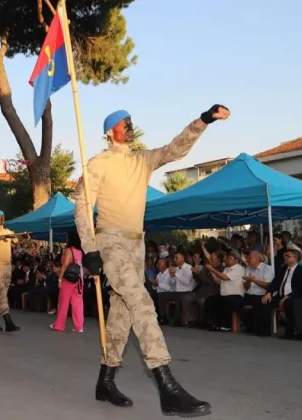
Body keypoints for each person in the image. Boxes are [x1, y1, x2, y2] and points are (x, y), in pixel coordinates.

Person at [74, 106, 229, 416]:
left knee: (123, 315)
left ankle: (105, 381)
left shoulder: (142, 159)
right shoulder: (99, 163)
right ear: (110, 132)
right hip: (111, 242)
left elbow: (176, 149)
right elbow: (81, 205)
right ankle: (167, 387)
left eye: (131, 121)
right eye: (123, 122)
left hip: (136, 245)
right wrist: (91, 249)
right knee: (143, 305)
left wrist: (204, 120)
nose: (129, 126)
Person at [51, 231, 85, 332]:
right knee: (78, 303)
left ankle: (59, 325)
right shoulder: (79, 251)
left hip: (68, 279)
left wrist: (60, 278)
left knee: (63, 302)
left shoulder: (69, 250)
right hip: (78, 280)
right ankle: (79, 326)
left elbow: (65, 265)